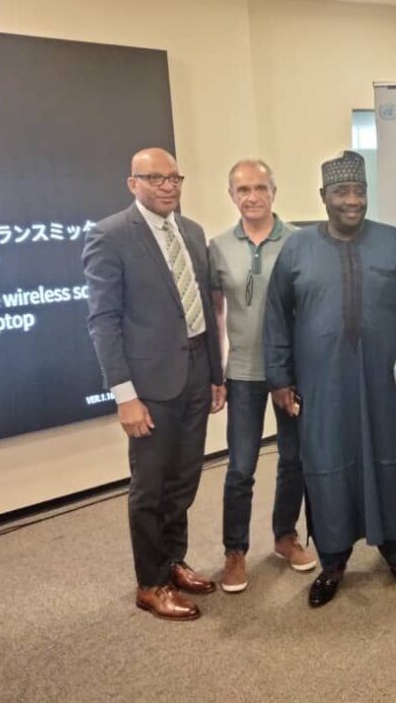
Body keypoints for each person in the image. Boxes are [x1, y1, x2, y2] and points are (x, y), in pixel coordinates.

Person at [264, 150, 396, 608]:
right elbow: (277, 317)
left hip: (385, 381)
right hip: (322, 383)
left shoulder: (394, 244)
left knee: (391, 460)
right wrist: (279, 378)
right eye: (342, 192)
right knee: (326, 464)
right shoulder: (297, 248)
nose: (352, 200)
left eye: (359, 191)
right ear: (324, 196)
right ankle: (333, 562)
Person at [83, 147, 226, 621]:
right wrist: (124, 395)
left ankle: (172, 561)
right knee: (150, 487)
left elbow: (204, 310)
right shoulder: (110, 236)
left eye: (174, 178)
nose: (168, 186)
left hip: (196, 374)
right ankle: (150, 583)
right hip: (149, 386)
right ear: (134, 184)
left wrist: (215, 375)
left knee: (183, 479)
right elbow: (103, 321)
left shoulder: (192, 231)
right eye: (156, 178)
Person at [209, 159, 317, 594]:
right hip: (243, 374)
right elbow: (216, 313)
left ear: (274, 191)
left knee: (294, 459)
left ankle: (285, 536)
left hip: (292, 371)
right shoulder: (218, 247)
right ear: (231, 195)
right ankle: (235, 551)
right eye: (243, 189)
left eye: (260, 188)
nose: (252, 196)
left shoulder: (300, 241)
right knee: (241, 466)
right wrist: (215, 370)